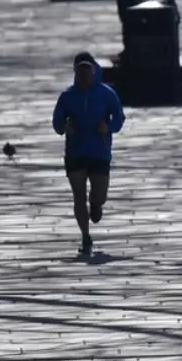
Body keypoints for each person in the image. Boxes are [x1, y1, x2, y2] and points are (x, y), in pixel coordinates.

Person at [52, 52, 126, 255]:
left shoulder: (106, 93)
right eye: (80, 70)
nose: (84, 74)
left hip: (99, 151)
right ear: (75, 72)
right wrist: (65, 126)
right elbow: (57, 123)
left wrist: (108, 127)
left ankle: (96, 204)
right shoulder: (67, 96)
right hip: (75, 151)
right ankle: (85, 235)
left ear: (94, 70)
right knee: (78, 194)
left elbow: (119, 118)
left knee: (99, 193)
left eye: (88, 70)